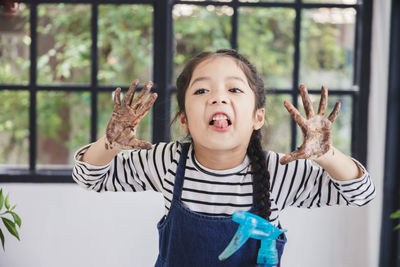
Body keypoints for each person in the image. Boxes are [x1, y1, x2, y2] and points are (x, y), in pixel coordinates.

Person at [72, 49, 376, 266]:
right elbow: (89, 178)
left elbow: (362, 194)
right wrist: (109, 144)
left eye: (234, 88)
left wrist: (327, 155)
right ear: (185, 121)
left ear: (258, 117)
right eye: (202, 90)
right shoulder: (166, 161)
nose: (218, 97)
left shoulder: (279, 171)